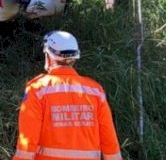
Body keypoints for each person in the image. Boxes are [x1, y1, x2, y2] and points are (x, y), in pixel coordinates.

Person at [13, 31, 122, 160]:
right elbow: (109, 141)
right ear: (74, 58)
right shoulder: (95, 91)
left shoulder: (38, 90)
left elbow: (27, 142)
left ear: (48, 56)